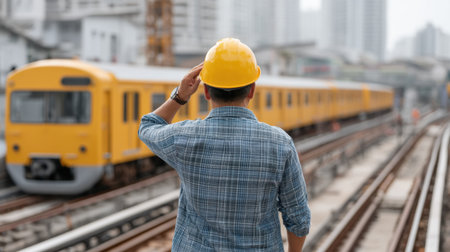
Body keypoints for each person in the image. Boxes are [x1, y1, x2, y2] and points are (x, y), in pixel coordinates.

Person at [139, 38, 310, 251]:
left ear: (206, 92)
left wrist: (180, 96)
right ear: (251, 90)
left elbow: (148, 126)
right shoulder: (280, 143)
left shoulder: (183, 138)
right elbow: (298, 218)